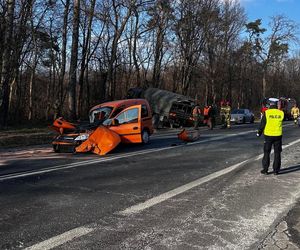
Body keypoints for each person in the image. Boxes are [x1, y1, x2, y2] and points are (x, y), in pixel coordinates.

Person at [257, 101, 284, 175]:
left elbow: (263, 123)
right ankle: (276, 170)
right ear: (276, 106)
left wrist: (259, 132)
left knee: (266, 152)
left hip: (268, 135)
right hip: (278, 135)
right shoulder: (281, 113)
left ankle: (265, 170)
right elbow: (281, 120)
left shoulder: (267, 112)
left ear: (270, 106)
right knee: (277, 153)